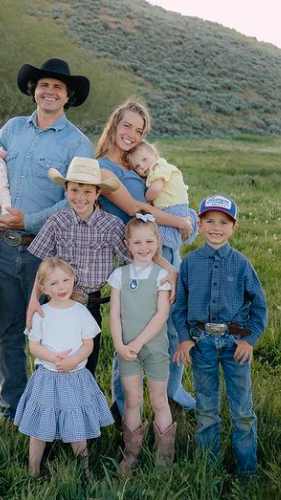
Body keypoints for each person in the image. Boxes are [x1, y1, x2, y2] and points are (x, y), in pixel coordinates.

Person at [0, 58, 93, 421]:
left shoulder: (77, 144)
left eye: (58, 87)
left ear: (68, 96)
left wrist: (30, 219)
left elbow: (76, 200)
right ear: (33, 91)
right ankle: (13, 410)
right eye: (43, 85)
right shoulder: (12, 128)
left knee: (50, 332)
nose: (49, 91)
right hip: (0, 245)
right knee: (7, 331)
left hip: (46, 253)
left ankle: (47, 409)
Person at [94, 100, 196, 411]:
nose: (132, 135)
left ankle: (170, 390)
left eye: (139, 131)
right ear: (114, 124)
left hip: (162, 245)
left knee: (174, 321)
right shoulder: (104, 167)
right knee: (134, 326)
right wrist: (180, 222)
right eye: (127, 126)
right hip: (137, 253)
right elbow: (135, 209)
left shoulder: (137, 163)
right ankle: (123, 400)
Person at [173, 195, 268, 476]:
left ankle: (247, 471)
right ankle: (208, 469)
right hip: (201, 344)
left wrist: (248, 339)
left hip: (233, 345)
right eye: (210, 221)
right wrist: (184, 338)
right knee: (206, 410)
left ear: (233, 228)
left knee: (242, 412)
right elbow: (180, 306)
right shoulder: (190, 263)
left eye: (223, 222)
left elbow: (259, 305)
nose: (216, 227)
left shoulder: (241, 264)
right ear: (199, 224)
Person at [26, 157, 130, 375]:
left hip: (90, 304)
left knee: (85, 364)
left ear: (98, 193)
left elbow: (129, 264)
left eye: (87, 192)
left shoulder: (112, 225)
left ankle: (82, 405)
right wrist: (34, 300)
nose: (80, 198)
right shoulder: (57, 222)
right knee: (53, 360)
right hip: (54, 304)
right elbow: (44, 265)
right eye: (74, 190)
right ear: (65, 190)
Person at [14, 258, 114, 477]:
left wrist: (74, 360)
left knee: (76, 421)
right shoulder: (41, 313)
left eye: (65, 280)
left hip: (75, 375)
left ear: (73, 280)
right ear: (43, 288)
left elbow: (89, 344)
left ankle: (84, 468)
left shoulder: (80, 311)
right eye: (53, 283)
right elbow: (34, 346)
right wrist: (54, 358)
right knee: (40, 425)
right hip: (48, 376)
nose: (61, 287)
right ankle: (33, 469)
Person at [109, 215, 175, 473]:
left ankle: (164, 458)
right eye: (137, 242)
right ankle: (131, 454)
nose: (144, 247)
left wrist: (137, 342)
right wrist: (119, 344)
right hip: (127, 350)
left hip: (154, 348)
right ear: (128, 244)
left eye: (149, 241)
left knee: (159, 400)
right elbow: (114, 313)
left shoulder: (162, 276)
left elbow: (162, 314)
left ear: (157, 242)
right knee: (133, 399)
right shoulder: (119, 275)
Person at [125, 139, 198, 251]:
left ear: (155, 154)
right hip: (179, 207)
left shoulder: (158, 167)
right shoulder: (163, 167)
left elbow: (155, 189)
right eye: (137, 167)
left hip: (171, 209)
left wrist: (145, 199)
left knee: (155, 234)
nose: (143, 167)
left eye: (145, 159)